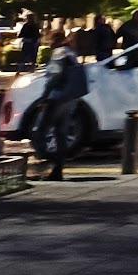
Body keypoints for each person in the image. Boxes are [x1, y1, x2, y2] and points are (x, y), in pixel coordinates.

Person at [35, 42, 88, 181]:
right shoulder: (71, 54)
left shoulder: (58, 53)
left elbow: (54, 76)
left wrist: (44, 97)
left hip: (57, 97)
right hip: (70, 98)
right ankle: (58, 168)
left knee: (40, 132)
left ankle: (45, 163)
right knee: (61, 134)